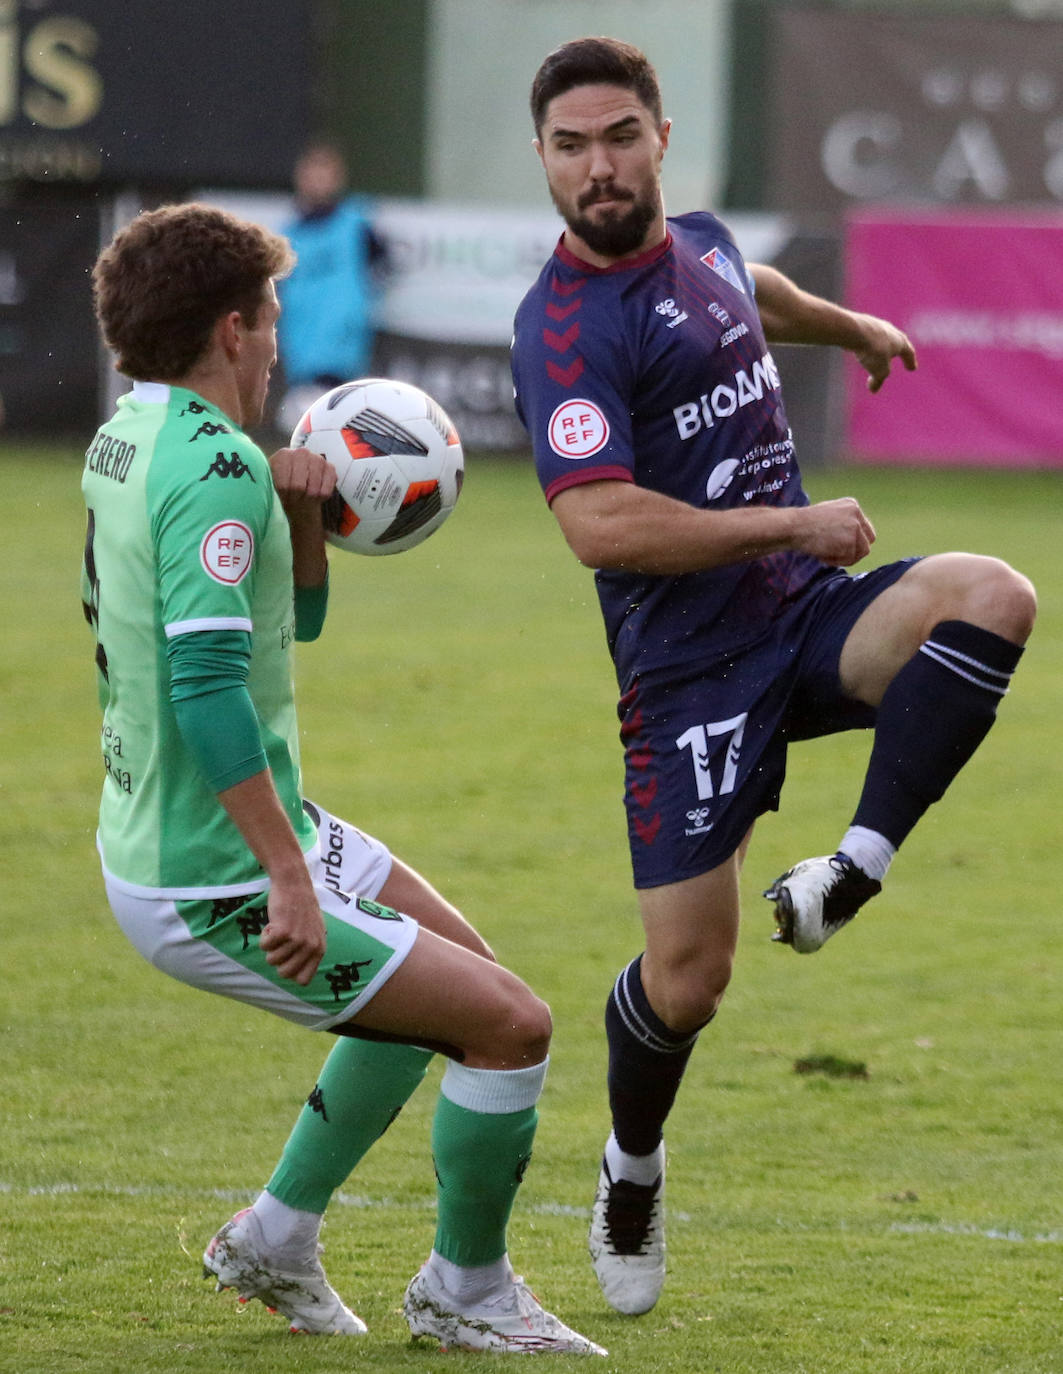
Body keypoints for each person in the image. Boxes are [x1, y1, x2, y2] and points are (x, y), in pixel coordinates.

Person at [510, 37, 1036, 1318]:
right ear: (544, 160)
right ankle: (631, 1162)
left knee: (992, 594)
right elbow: (599, 524)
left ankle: (853, 865)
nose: (598, 166)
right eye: (571, 146)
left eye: (618, 135)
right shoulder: (564, 330)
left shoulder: (692, 242)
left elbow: (751, 284)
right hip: (687, 679)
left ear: (661, 137)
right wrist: (787, 525)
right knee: (689, 982)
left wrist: (847, 322)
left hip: (804, 623)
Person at [82, 201, 605, 1357]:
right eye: (269, 315)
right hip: (209, 868)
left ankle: (273, 1236)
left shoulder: (133, 433)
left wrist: (301, 516)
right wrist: (287, 878)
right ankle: (465, 1293)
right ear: (230, 329)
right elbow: (209, 691)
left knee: (460, 978)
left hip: (202, 825)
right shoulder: (213, 473)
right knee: (511, 1027)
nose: (278, 336)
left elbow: (291, 625)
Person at [275, 140, 385, 433]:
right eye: (313, 171)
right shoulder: (286, 235)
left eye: (326, 171)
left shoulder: (357, 225)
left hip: (345, 350)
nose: (319, 180)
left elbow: (383, 266)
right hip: (301, 350)